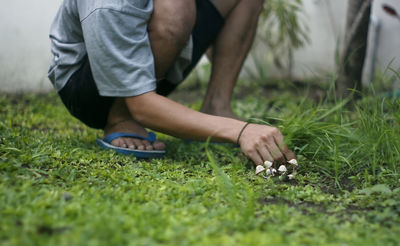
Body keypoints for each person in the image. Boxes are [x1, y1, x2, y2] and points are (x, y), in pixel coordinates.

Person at [48, 0, 295, 165]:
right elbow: (142, 105)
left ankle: (217, 105)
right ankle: (120, 117)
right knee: (175, 8)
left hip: (155, 66)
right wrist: (241, 132)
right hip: (89, 87)